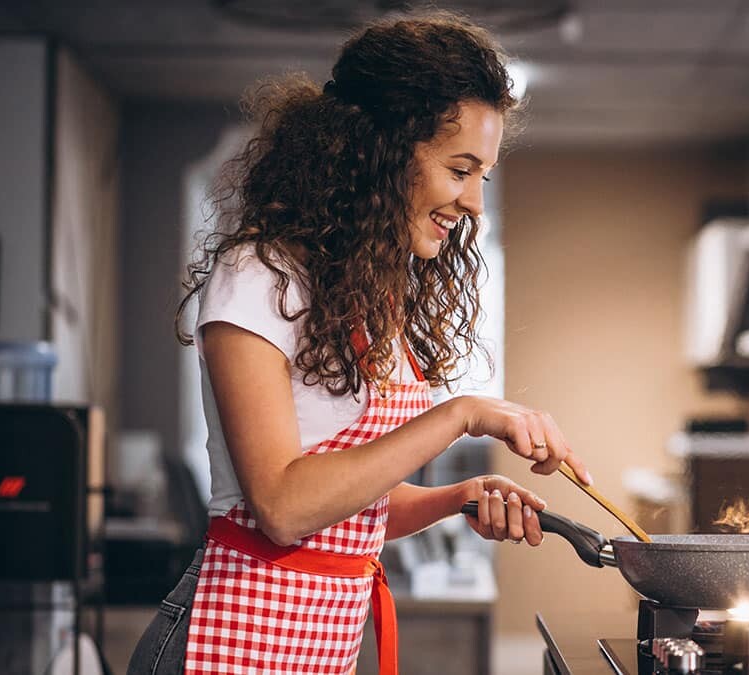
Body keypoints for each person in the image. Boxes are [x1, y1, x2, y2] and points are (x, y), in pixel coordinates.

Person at [128, 12, 590, 675]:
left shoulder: (370, 294)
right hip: (225, 644)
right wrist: (461, 414)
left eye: (483, 174)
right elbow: (285, 508)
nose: (476, 202)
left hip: (316, 651)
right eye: (461, 169)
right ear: (383, 150)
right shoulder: (259, 275)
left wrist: (459, 497)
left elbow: (352, 507)